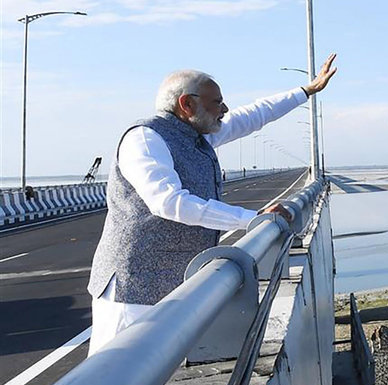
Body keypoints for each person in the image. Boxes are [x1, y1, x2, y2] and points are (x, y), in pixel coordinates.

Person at [86, 55, 338, 355]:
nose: (225, 109)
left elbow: (253, 116)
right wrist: (252, 219)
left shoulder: (196, 136)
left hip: (174, 285)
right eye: (217, 102)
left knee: (158, 377)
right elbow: (168, 202)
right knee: (116, 377)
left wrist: (306, 91)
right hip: (132, 288)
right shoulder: (145, 138)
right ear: (187, 105)